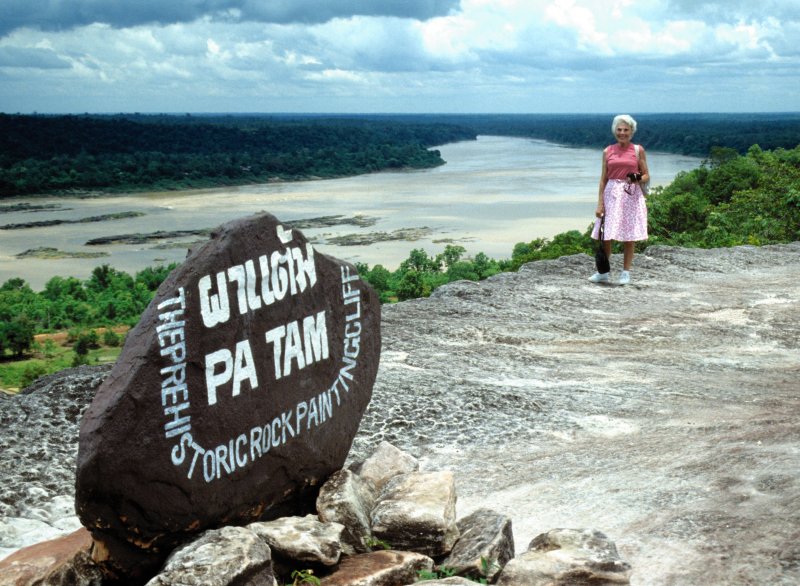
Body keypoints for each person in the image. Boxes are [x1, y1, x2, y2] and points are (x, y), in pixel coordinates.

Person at [589, 114, 650, 285]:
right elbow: (603, 179)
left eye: (626, 130)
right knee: (606, 235)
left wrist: (636, 177)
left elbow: (646, 175)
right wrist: (600, 204)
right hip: (611, 194)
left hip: (630, 194)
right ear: (615, 131)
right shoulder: (608, 151)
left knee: (628, 235)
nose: (622, 133)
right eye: (619, 129)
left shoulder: (638, 150)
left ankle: (625, 272)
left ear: (632, 132)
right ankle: (603, 272)